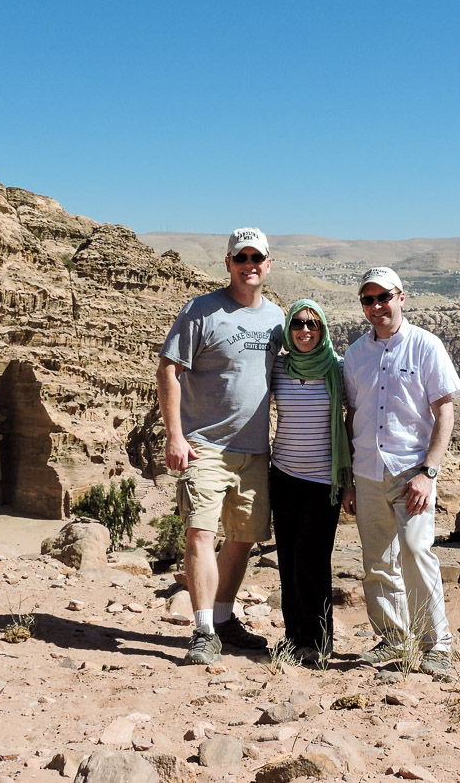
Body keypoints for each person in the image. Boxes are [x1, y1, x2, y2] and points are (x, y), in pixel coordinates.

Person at [156, 227, 284, 665]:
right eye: (241, 257)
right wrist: (174, 435)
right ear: (228, 263)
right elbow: (168, 369)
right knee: (200, 532)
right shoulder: (201, 310)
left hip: (255, 450)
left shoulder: (278, 319)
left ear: (268, 264)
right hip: (205, 445)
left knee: (243, 537)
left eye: (256, 258)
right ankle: (204, 630)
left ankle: (224, 619)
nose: (249, 265)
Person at [340, 266, 460, 679]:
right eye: (368, 300)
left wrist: (429, 473)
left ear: (401, 297)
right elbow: (352, 415)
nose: (376, 306)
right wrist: (349, 479)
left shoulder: (426, 346)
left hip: (411, 471)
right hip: (368, 472)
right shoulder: (355, 354)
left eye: (384, 297)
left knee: (415, 551)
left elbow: (444, 412)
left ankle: (436, 644)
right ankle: (393, 638)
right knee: (377, 561)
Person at [269, 299, 352, 664]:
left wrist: (350, 478)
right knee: (287, 560)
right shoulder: (279, 367)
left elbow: (355, 417)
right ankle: (293, 638)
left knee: (313, 560)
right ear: (289, 328)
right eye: (299, 323)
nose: (305, 330)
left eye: (313, 324)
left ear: (323, 330)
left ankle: (318, 642)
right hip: (283, 476)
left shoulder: (338, 368)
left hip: (323, 481)